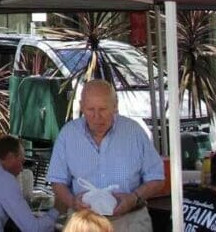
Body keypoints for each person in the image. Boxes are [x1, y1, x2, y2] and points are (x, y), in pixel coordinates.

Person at [47, 80, 164, 232]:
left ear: (115, 106)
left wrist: (134, 198)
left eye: (102, 109)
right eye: (90, 109)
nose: (97, 116)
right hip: (84, 223)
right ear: (82, 106)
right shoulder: (68, 135)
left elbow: (157, 178)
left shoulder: (134, 132)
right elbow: (57, 181)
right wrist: (72, 201)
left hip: (129, 221)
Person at [0, 136, 59, 232]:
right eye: (21, 162)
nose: (22, 169)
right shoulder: (4, 179)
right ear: (10, 157)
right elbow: (33, 229)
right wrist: (57, 209)